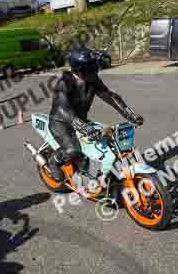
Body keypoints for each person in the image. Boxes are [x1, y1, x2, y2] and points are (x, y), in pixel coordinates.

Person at [46, 48, 143, 182]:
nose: (95, 68)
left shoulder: (92, 79)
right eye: (91, 66)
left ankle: (101, 176)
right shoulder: (64, 83)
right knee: (73, 150)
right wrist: (85, 128)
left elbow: (109, 96)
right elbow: (64, 110)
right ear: (80, 68)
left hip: (81, 121)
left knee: (111, 143)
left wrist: (130, 115)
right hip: (61, 123)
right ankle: (54, 161)